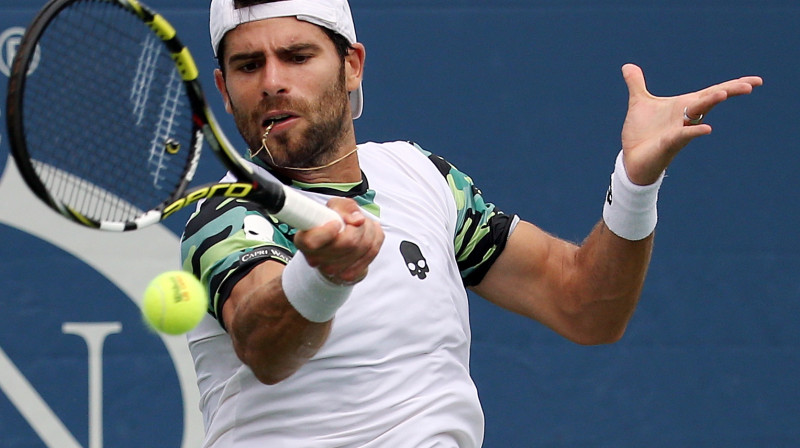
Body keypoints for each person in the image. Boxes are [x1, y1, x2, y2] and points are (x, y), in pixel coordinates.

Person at [180, 0, 763, 446]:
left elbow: (586, 307)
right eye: (248, 65)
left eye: (298, 56)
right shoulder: (227, 213)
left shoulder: (421, 176)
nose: (273, 81)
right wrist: (323, 276)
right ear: (226, 93)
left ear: (352, 65)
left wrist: (636, 184)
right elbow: (265, 346)